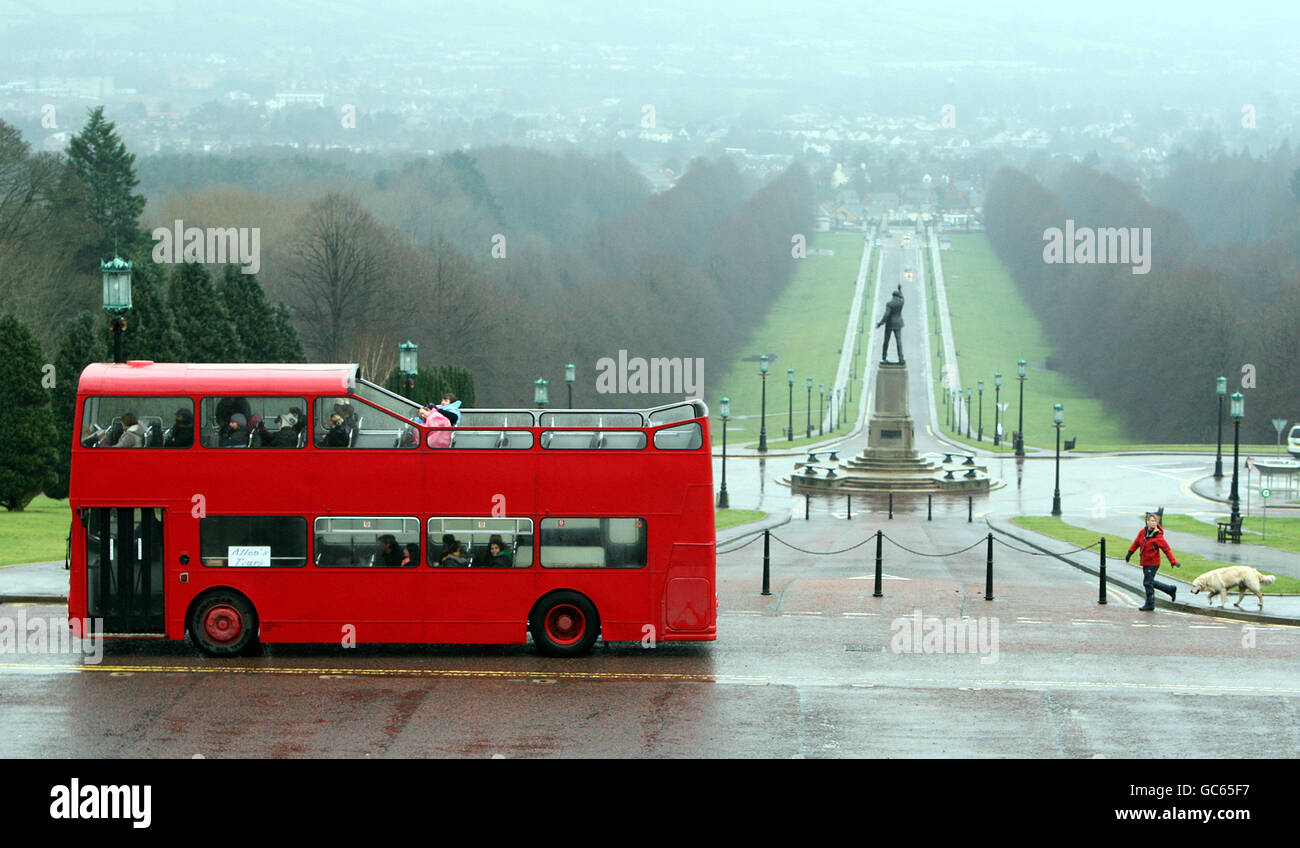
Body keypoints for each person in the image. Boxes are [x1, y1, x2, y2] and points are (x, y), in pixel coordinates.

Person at [1126, 511, 1180, 610]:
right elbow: (1136, 542)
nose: (1153, 523)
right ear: (1147, 521)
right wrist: (1130, 553)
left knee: (1147, 583)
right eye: (1151, 521)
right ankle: (1170, 589)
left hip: (1153, 563)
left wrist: (1173, 561)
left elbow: (1166, 549)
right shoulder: (1142, 532)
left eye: (1155, 521)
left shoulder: (1158, 537)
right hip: (1145, 562)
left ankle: (1150, 604)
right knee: (1150, 582)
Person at [876, 286, 905, 364]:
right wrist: (900, 290)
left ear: (892, 296)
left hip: (890, 324)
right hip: (898, 323)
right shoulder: (901, 302)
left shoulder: (889, 303)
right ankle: (901, 358)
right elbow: (902, 297)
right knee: (899, 341)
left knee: (886, 341)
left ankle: (884, 357)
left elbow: (886, 315)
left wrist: (880, 323)